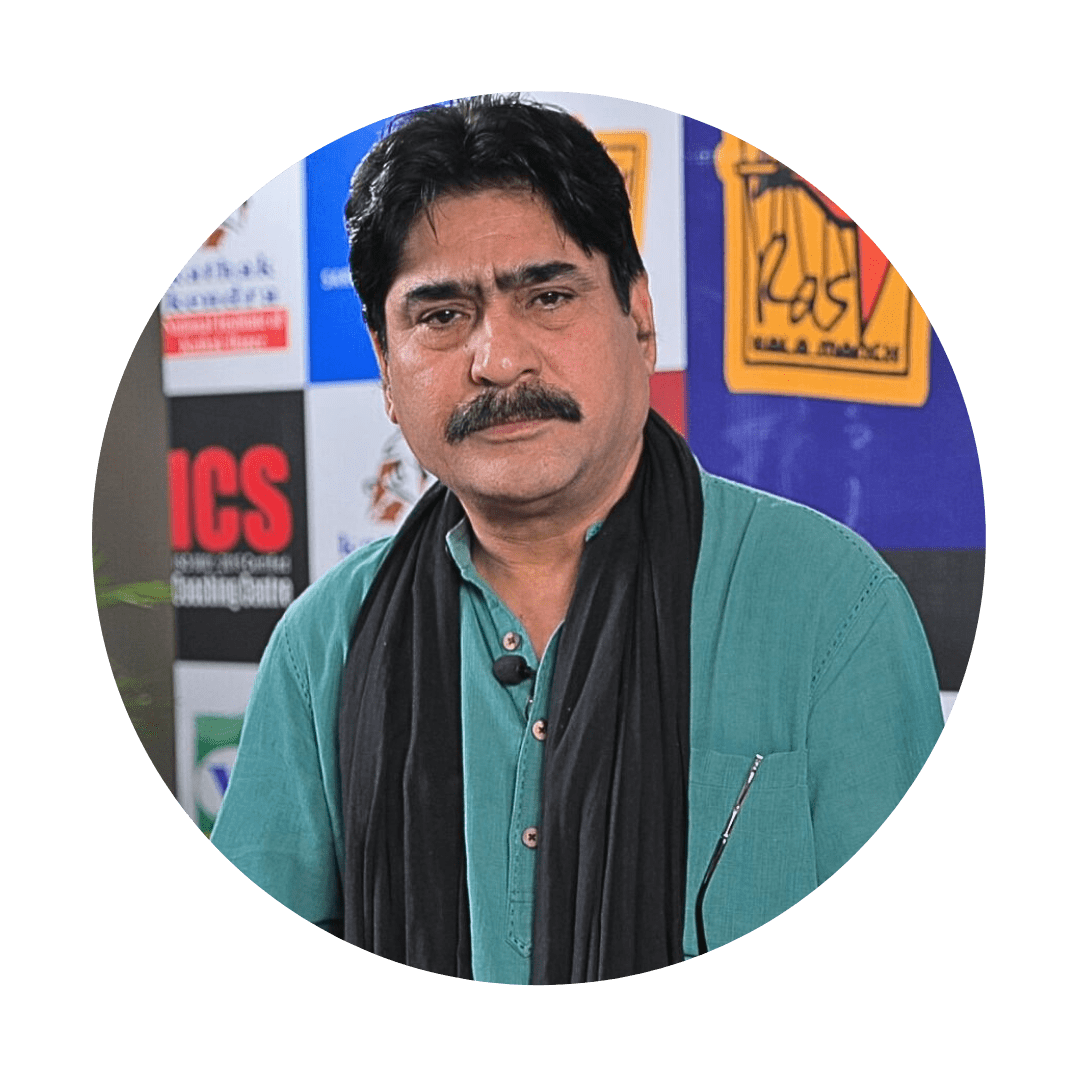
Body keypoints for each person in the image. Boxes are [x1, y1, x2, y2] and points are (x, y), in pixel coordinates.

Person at [210, 94, 943, 985]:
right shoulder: (324, 644)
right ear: (385, 367)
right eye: (441, 316)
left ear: (639, 316)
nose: (498, 360)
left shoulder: (833, 612)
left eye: (549, 297)